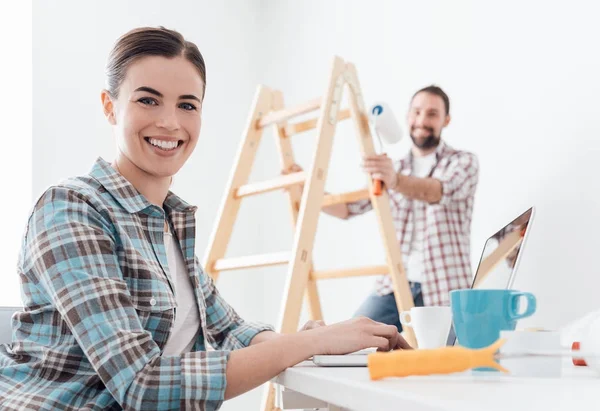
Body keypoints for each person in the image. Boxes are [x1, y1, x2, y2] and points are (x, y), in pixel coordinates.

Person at [0, 27, 410, 411]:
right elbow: (141, 383)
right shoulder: (70, 209)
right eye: (148, 99)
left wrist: (325, 342)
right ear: (110, 107)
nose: (170, 122)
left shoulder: (169, 223)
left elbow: (231, 330)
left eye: (187, 105)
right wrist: (311, 343)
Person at [287, 85, 479, 333]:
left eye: (432, 114)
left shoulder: (463, 162)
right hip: (395, 286)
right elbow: (347, 209)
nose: (422, 120)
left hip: (446, 288)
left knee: (447, 361)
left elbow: (436, 190)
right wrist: (306, 187)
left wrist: (395, 181)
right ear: (408, 116)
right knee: (347, 339)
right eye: (417, 112)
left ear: (446, 120)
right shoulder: (393, 167)